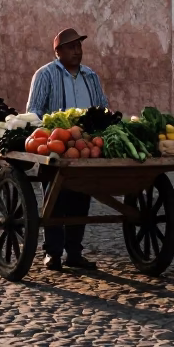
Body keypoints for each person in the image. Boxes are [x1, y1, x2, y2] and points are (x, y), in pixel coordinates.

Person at [27, 28, 109, 273]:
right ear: (58, 51)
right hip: (55, 147)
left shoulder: (90, 76)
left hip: (85, 147)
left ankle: (74, 252)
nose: (77, 51)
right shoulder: (45, 75)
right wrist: (52, 132)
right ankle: (52, 252)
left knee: (81, 198)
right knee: (55, 199)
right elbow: (34, 112)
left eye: (79, 46)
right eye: (71, 47)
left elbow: (103, 108)